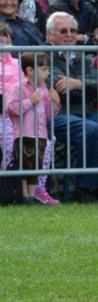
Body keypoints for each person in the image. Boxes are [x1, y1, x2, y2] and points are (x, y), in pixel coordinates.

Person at [44, 10, 98, 201]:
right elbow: (55, 86)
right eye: (63, 31)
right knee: (91, 129)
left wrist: (79, 84)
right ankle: (84, 188)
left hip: (85, 112)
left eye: (72, 30)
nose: (69, 35)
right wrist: (86, 87)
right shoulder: (44, 55)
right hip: (56, 115)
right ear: (49, 34)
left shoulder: (82, 56)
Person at [3, 49, 60, 204]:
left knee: (36, 165)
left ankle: (33, 195)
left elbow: (49, 114)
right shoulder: (18, 88)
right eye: (43, 69)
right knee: (25, 165)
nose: (47, 73)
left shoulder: (43, 89)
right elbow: (11, 108)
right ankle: (24, 195)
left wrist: (55, 102)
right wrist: (30, 101)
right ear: (29, 70)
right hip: (24, 134)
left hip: (40, 133)